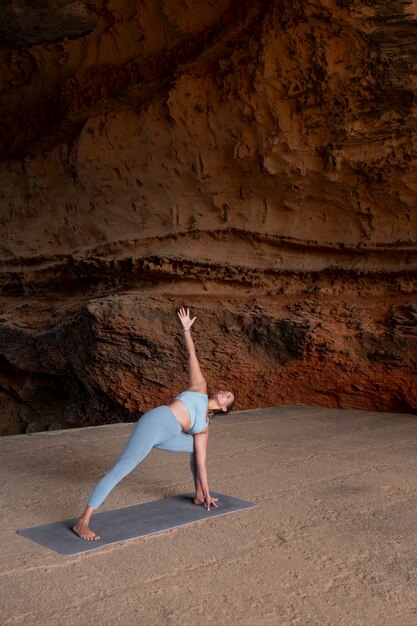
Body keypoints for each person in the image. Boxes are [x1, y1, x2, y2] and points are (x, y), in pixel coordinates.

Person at [72, 307, 235, 540]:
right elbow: (192, 355)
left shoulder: (204, 428)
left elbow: (201, 463)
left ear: (224, 409)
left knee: (196, 448)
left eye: (229, 398)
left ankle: (198, 495)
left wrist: (207, 493)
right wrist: (186, 329)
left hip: (169, 435)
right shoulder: (200, 387)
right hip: (155, 423)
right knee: (121, 470)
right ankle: (83, 521)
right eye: (227, 391)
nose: (226, 392)